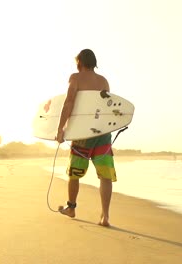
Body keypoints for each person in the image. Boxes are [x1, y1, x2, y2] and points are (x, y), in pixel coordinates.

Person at [56, 49, 116, 227]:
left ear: (79, 62)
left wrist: (61, 128)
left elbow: (69, 102)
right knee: (105, 176)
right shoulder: (104, 81)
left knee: (74, 173)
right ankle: (105, 216)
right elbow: (106, 109)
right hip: (102, 135)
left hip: (82, 135)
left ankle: (71, 208)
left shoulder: (75, 77)